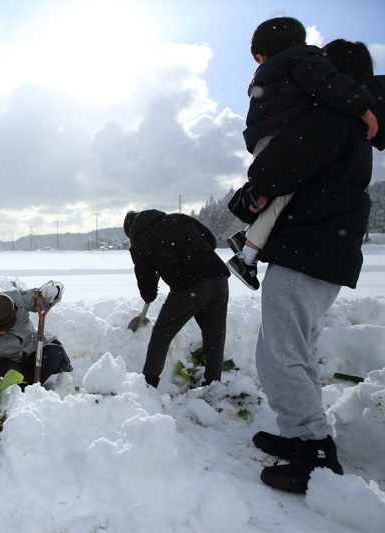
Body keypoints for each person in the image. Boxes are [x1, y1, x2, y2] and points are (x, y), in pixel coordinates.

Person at [242, 38, 384, 493]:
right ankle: (300, 432)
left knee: (279, 353)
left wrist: (251, 192)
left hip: (308, 251)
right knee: (294, 348)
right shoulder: (353, 127)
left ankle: (313, 451)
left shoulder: (329, 119)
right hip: (326, 253)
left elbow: (277, 167)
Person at [226, 16, 378, 291]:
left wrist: (260, 183)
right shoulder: (307, 64)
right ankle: (246, 254)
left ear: (261, 55)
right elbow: (327, 84)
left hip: (268, 141)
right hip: (318, 253)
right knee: (279, 196)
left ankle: (247, 241)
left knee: (275, 193)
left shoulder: (273, 72)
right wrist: (362, 108)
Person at [123, 210, 229, 389]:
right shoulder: (178, 218)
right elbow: (210, 240)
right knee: (215, 335)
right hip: (218, 276)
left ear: (131, 231)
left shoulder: (140, 243)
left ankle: (148, 385)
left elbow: (147, 288)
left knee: (162, 333)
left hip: (189, 284)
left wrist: (155, 279)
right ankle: (213, 384)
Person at [0, 281, 72, 386]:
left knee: (55, 354)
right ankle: (19, 394)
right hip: (8, 363)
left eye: (7, 328)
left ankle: (33, 389)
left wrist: (55, 289)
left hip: (31, 349)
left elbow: (42, 299)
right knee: (13, 377)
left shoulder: (16, 300)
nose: (3, 333)